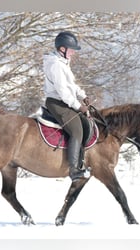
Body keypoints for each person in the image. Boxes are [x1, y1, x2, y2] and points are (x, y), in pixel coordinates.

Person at [43, 31, 90, 181]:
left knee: (85, 122)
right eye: (71, 50)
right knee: (76, 130)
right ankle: (73, 169)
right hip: (57, 102)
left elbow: (71, 85)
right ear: (62, 49)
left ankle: (81, 160)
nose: (73, 53)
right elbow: (63, 91)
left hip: (64, 100)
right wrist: (78, 106)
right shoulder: (56, 65)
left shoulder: (63, 62)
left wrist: (83, 95)